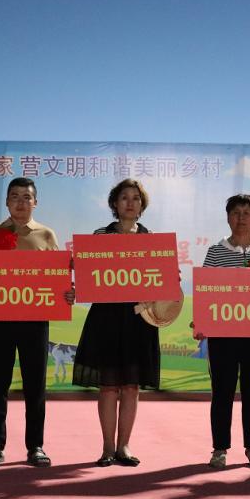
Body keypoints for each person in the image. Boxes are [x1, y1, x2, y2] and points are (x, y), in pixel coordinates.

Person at [0, 177, 74, 468]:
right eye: (15, 196)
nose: (21, 202)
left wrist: (67, 293)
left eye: (27, 197)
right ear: (7, 202)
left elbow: (58, 277)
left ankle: (36, 446)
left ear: (35, 202)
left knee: (35, 385)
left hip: (35, 321)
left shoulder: (46, 235)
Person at [72, 178, 160, 467]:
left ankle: (124, 446)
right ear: (114, 203)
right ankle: (107, 447)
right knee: (108, 386)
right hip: (106, 318)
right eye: (124, 197)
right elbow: (88, 274)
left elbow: (159, 279)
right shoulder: (100, 236)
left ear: (142, 205)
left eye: (136, 198)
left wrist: (168, 278)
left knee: (131, 387)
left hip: (139, 318)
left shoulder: (151, 239)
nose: (130, 203)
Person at [196, 194, 250, 470]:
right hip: (223, 336)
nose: (241, 218)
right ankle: (219, 449)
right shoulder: (216, 251)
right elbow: (205, 290)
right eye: (236, 213)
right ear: (228, 217)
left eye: (247, 213)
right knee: (222, 391)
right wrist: (201, 320)